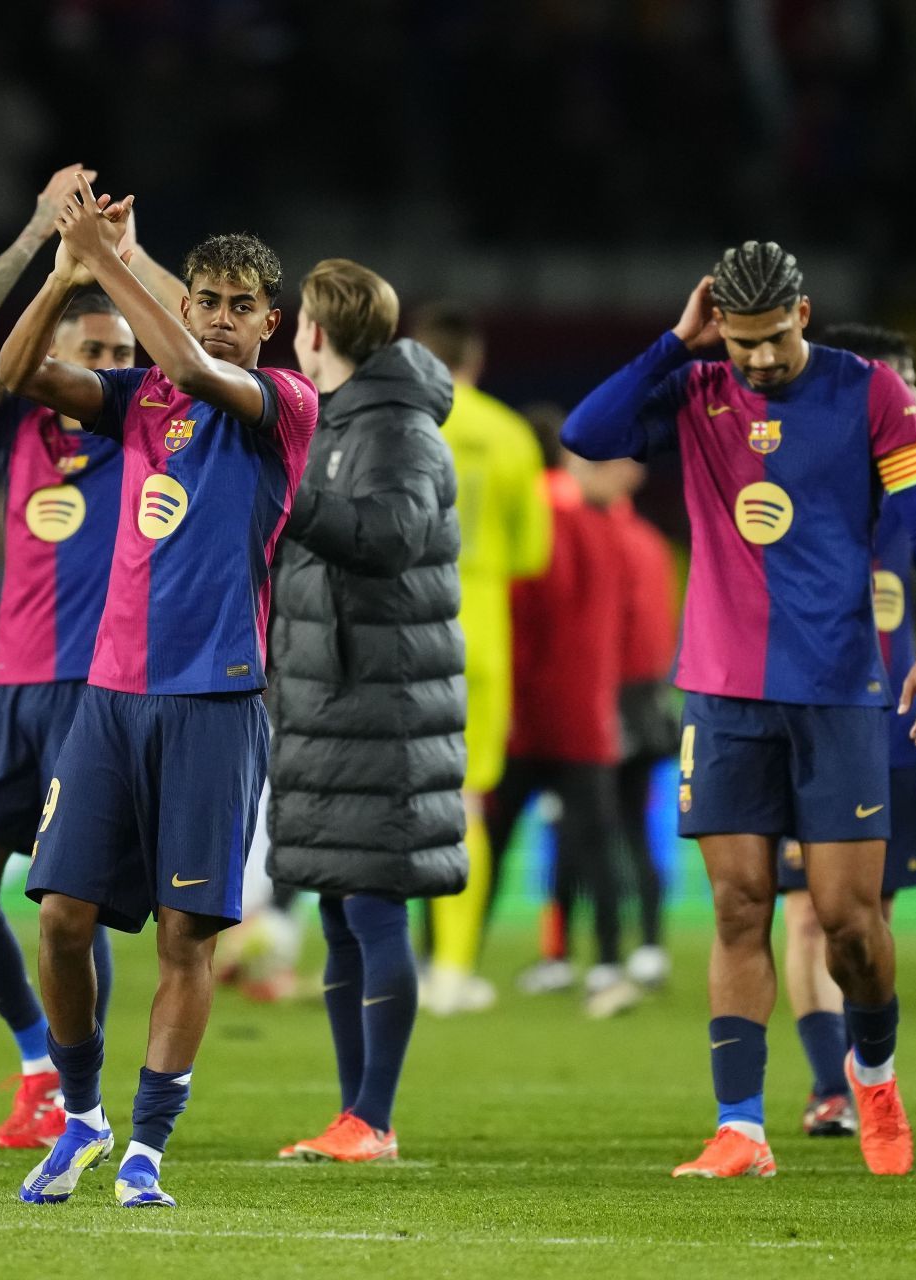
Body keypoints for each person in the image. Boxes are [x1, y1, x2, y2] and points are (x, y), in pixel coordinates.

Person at [564, 242, 916, 1179]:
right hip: (722, 690)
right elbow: (589, 432)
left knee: (848, 923)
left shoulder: (868, 391)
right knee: (740, 904)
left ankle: (874, 1075)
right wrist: (675, 343)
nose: (755, 360)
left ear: (806, 315)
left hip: (837, 692)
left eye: (772, 340)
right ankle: (741, 1127)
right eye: (739, 342)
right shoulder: (698, 387)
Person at [0, 177, 317, 1209]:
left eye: (239, 305)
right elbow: (13, 373)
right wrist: (64, 276)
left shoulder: (284, 407)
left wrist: (115, 261)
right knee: (58, 918)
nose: (220, 317)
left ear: (272, 323)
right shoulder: (142, 401)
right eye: (208, 298)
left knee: (188, 937)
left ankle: (148, 1145)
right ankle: (82, 1114)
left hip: (216, 699)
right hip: (111, 693)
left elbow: (184, 355)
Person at [0, 165, 177, 1149]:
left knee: (67, 901)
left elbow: (188, 339)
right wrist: (45, 239)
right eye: (98, 348)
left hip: (97, 692)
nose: (116, 363)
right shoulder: (20, 419)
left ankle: (79, 1097)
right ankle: (41, 1060)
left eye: (124, 349)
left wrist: (122, 260)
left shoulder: (149, 425)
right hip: (7, 689)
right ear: (60, 353)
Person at [266, 258, 464, 1162]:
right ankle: (355, 1116)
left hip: (382, 703)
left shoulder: (398, 426)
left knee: (376, 912)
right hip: (328, 702)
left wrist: (289, 498)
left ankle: (373, 1118)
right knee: (343, 915)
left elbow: (389, 536)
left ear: (317, 331)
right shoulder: (340, 420)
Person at [768, 324, 916, 1139]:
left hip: (895, 732)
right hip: (810, 719)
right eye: (886, 385)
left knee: (868, 921)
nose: (898, 401)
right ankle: (826, 1082)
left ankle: (861, 1062)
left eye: (909, 387)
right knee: (806, 912)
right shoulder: (800, 487)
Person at [410, 305, 552, 1015]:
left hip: (398, 630)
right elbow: (533, 553)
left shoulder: (392, 418)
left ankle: (372, 964)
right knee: (463, 803)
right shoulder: (508, 432)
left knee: (377, 800)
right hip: (478, 633)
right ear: (474, 359)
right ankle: (450, 971)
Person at [485, 424, 638, 1018]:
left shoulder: (548, 514)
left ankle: (448, 959)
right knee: (597, 843)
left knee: (487, 839)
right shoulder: (606, 526)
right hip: (586, 716)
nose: (633, 474)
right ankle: (607, 965)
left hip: (532, 715)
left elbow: (525, 613)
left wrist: (511, 700)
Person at [608, 474, 680, 990]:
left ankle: (593, 954)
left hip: (608, 696)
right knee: (635, 829)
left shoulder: (607, 538)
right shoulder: (654, 543)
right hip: (650, 698)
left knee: (591, 831)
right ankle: (650, 946)